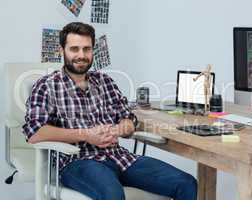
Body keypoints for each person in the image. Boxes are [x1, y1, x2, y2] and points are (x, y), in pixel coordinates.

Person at [22, 22, 197, 200]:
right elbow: (35, 133)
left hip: (119, 157)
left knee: (186, 183)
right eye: (74, 49)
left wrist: (121, 127)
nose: (81, 55)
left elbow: (128, 118)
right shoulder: (46, 85)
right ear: (62, 51)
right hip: (78, 162)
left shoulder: (105, 81)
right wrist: (86, 134)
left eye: (86, 49)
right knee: (112, 194)